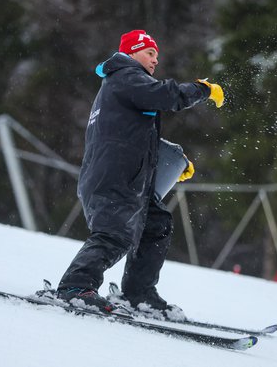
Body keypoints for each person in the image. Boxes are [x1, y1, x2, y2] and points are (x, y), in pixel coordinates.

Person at [55, 29, 224, 317]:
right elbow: (166, 96)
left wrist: (173, 162)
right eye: (150, 53)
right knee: (115, 233)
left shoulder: (125, 83)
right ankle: (75, 287)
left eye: (157, 55)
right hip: (114, 177)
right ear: (132, 52)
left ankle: (138, 293)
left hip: (128, 177)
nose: (155, 60)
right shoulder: (125, 76)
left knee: (155, 224)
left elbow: (130, 137)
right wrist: (201, 88)